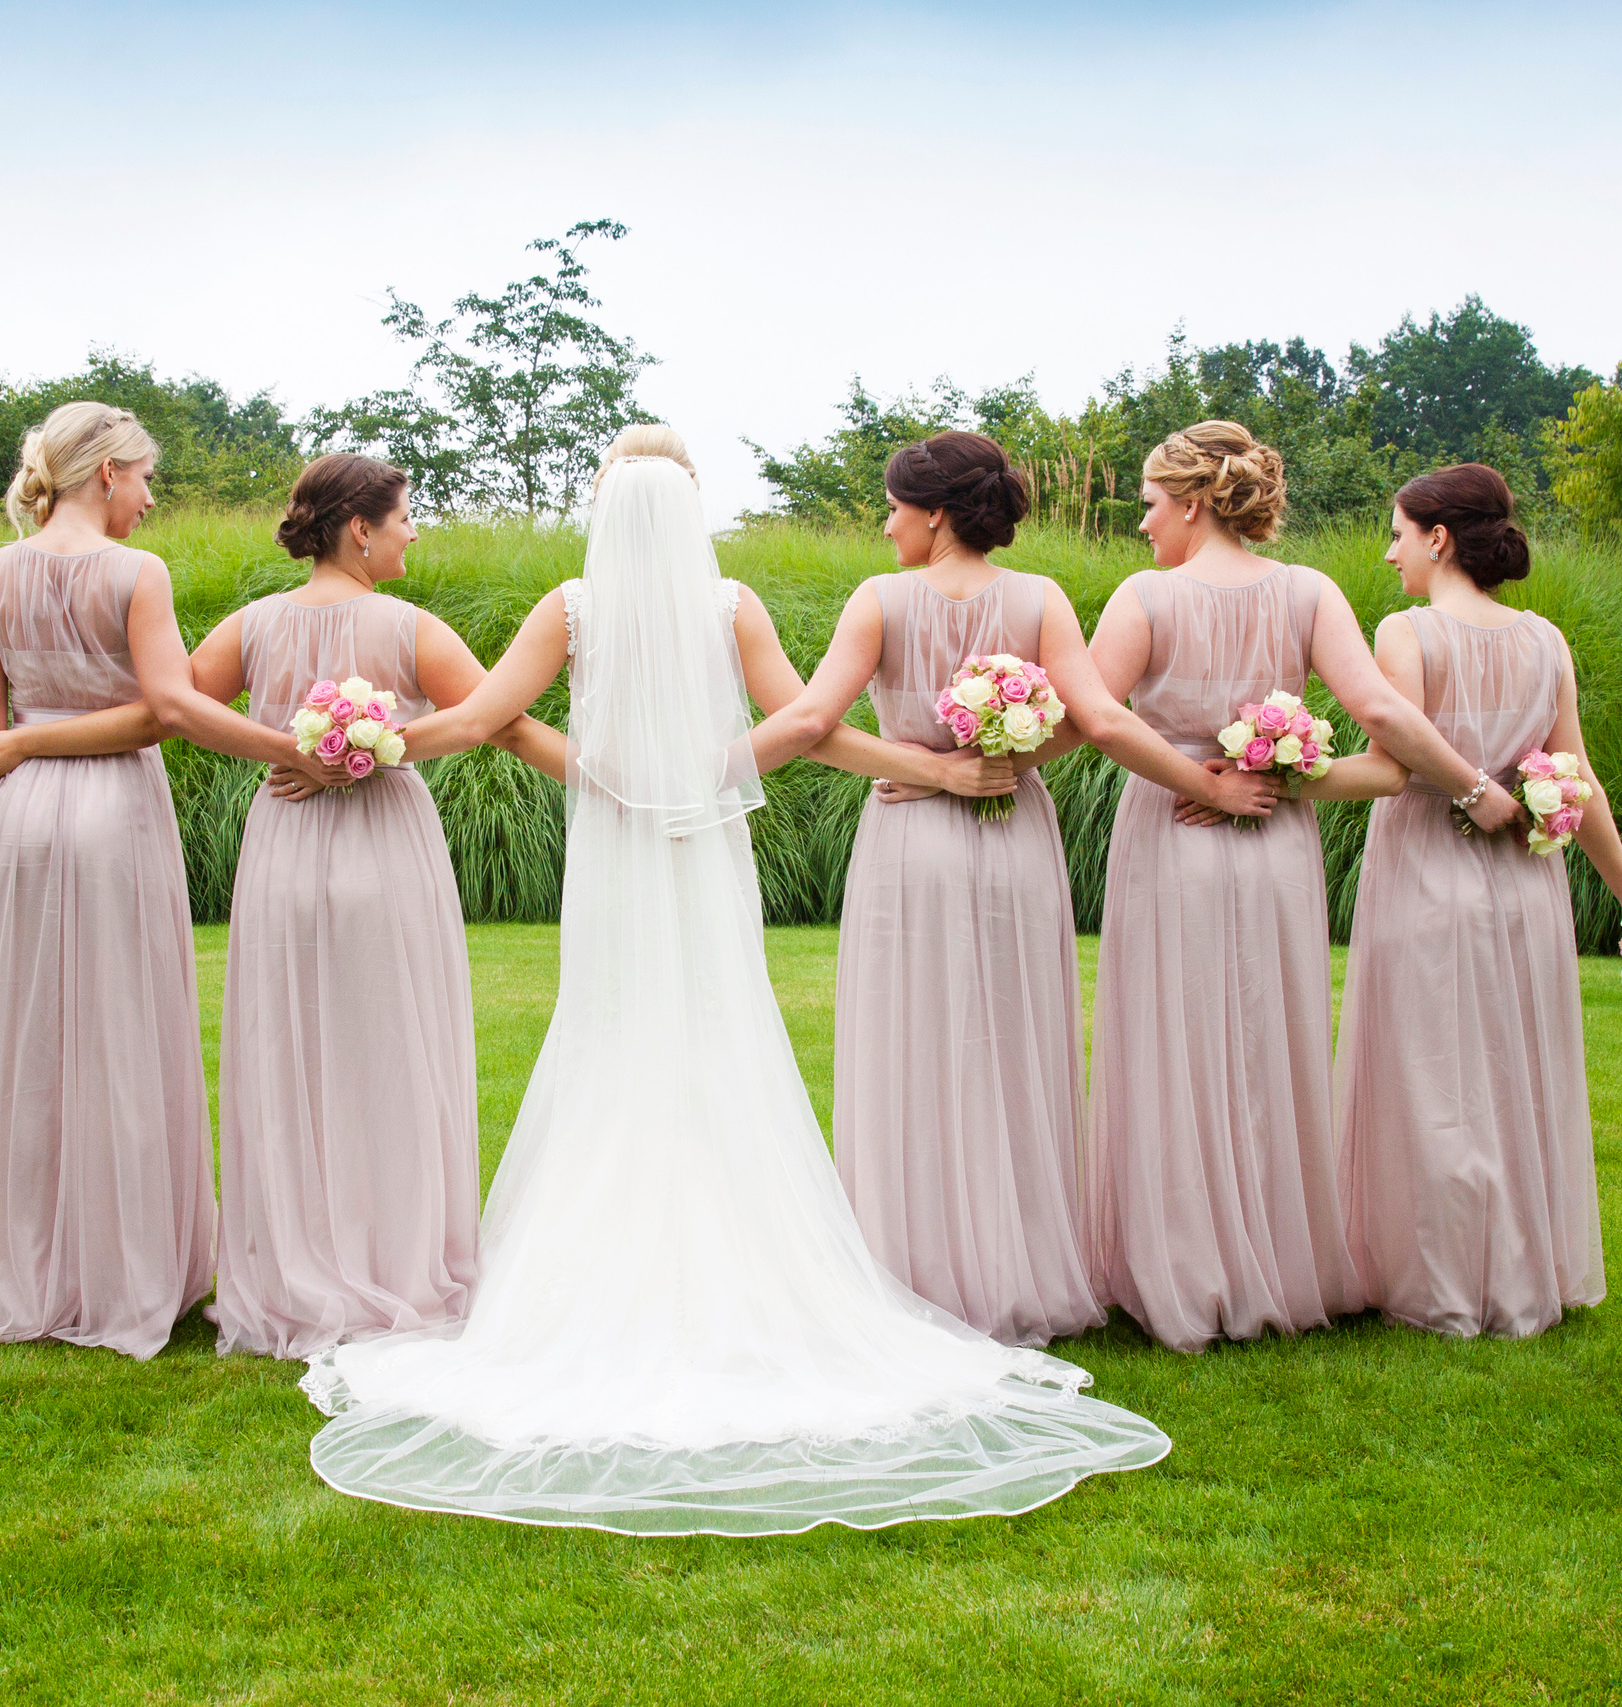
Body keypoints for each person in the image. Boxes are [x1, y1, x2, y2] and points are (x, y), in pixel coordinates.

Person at [295, 427, 1172, 1535]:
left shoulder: (573, 609)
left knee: (615, 1029)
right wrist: (899, 768)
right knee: (718, 1028)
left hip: (620, 843)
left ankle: (600, 1281)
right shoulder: (732, 606)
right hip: (702, 843)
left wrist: (356, 747)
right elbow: (807, 727)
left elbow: (477, 721)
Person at [745, 430, 1274, 1346]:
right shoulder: (1041, 598)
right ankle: (1019, 1266)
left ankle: (908, 1270)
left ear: (935, 515)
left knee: (912, 1038)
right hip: (1015, 835)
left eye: (894, 509)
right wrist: (1009, 767)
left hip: (911, 843)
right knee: (1013, 1038)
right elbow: (1098, 717)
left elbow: (809, 722)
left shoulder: (880, 601)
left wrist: (922, 769)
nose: (886, 526)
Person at [1078, 420, 1521, 1354]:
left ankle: (1182, 1268)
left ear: (1192, 503)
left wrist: (1204, 784)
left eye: (1150, 504)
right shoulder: (1308, 591)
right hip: (1277, 834)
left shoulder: (1143, 597)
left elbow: (1097, 718)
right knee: (1266, 1039)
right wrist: (1474, 786)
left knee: (1171, 1037)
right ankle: (1274, 1264)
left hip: (1172, 826)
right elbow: (1382, 715)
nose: (1143, 524)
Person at [181, 451, 566, 1360]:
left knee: (291, 1046)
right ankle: (396, 1259)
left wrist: (283, 749)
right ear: (360, 529)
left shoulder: (252, 624)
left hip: (283, 845)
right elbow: (502, 720)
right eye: (403, 518)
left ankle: (295, 1262)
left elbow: (174, 705)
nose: (413, 533)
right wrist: (613, 779)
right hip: (386, 849)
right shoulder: (408, 627)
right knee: (396, 1046)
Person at [1333, 463, 1622, 1338]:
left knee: (1430, 1076)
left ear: (1438, 539)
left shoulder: (1407, 632)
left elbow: (1392, 754)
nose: (1390, 553)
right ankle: (1516, 1269)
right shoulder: (1546, 640)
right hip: (1527, 884)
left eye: (1398, 534)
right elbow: (1579, 778)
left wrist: (1282, 777)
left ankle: (1441, 1281)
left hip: (1427, 871)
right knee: (1514, 1076)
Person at [0, 403, 224, 1359]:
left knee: (24, 1040)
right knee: (121, 1028)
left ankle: (22, 1266)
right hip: (113, 813)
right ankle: (123, 1270)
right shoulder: (138, 573)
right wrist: (20, 749)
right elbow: (159, 714)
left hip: (17, 819)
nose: (149, 498)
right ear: (105, 473)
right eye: (144, 477)